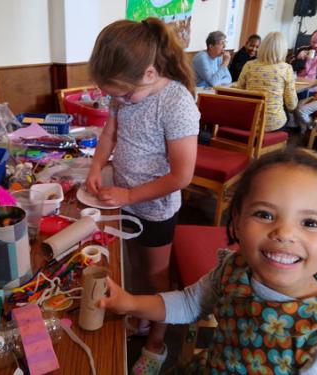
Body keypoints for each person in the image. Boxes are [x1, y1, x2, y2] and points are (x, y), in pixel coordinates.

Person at [99, 149, 317, 374]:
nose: (284, 234)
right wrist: (129, 302)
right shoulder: (235, 269)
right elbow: (190, 303)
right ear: (236, 220)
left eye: (310, 223)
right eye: (265, 214)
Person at [86, 17, 199, 374]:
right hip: (126, 200)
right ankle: (142, 314)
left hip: (155, 208)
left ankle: (157, 342)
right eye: (113, 95)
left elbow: (182, 175)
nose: (118, 100)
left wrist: (130, 194)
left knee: (157, 275)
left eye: (122, 93)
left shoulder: (175, 102)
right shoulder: (125, 96)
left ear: (150, 73)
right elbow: (109, 135)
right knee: (132, 262)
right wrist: (95, 167)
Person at [236, 32, 298, 131]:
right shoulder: (286, 68)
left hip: (249, 121)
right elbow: (291, 105)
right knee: (287, 119)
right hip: (274, 124)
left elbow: (239, 91)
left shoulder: (249, 65)